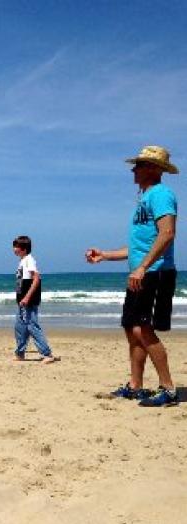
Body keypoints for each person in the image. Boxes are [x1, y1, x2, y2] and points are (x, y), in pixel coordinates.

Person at [86, 145, 179, 407]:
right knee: (132, 328)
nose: (133, 170)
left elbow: (167, 233)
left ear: (153, 168)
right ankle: (136, 386)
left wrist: (142, 268)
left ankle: (169, 389)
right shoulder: (145, 197)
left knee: (144, 329)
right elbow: (138, 247)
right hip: (141, 273)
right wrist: (105, 255)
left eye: (138, 165)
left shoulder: (161, 194)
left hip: (155, 274)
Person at [12, 236, 55, 364]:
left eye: (16, 247)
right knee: (20, 327)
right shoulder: (22, 261)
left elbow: (36, 278)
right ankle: (20, 353)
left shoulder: (29, 260)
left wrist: (27, 297)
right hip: (22, 300)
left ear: (24, 249)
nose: (14, 249)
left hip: (28, 300)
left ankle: (47, 354)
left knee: (32, 326)